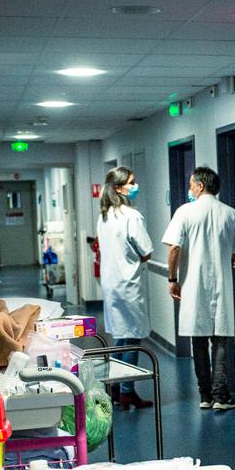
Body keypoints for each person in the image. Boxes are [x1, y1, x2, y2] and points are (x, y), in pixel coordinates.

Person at [163, 167, 235, 410]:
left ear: (200, 186)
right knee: (220, 340)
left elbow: (173, 248)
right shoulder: (231, 214)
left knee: (198, 341)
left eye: (191, 185)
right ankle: (221, 395)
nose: (190, 189)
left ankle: (205, 395)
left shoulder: (185, 212)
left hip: (193, 286)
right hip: (222, 284)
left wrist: (172, 278)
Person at [95, 166, 154, 409]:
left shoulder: (105, 215)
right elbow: (146, 251)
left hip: (110, 284)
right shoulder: (131, 216)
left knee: (120, 336)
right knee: (132, 338)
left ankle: (116, 388)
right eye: (131, 182)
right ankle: (127, 390)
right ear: (119, 188)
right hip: (128, 284)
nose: (134, 186)